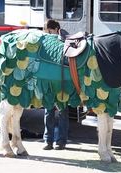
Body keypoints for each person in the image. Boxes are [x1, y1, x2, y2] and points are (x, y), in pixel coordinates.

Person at [43, 19, 69, 150]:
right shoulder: (46, 42)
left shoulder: (65, 41)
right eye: (47, 32)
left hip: (61, 82)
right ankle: (48, 140)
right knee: (49, 111)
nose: (49, 34)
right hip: (49, 81)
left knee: (63, 111)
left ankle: (61, 141)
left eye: (50, 31)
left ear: (57, 29)